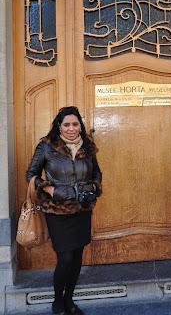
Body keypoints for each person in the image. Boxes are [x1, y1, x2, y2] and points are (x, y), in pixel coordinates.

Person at [26, 106, 102, 315]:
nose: (71, 128)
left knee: (77, 257)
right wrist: (50, 189)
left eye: (75, 124)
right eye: (66, 124)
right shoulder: (46, 146)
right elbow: (31, 174)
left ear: (80, 126)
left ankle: (69, 300)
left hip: (82, 209)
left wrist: (94, 187)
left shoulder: (87, 146)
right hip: (58, 210)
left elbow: (97, 173)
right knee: (65, 258)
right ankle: (58, 301)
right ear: (59, 126)